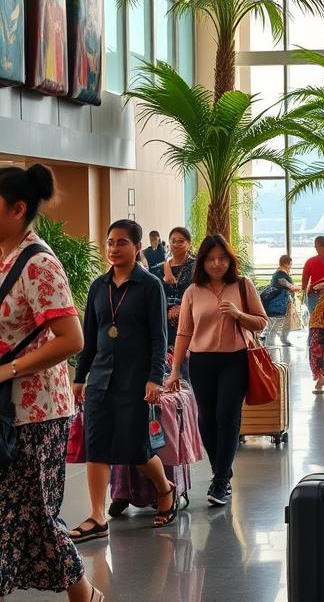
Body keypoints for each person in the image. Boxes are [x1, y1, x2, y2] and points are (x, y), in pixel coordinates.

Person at [0, 164, 104, 602]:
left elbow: (72, 338)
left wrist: (8, 370)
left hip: (34, 412)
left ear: (17, 208)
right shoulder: (3, 256)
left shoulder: (38, 262)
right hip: (9, 408)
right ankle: (86, 596)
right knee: (26, 518)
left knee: (28, 517)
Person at [71, 219, 175, 543]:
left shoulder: (149, 286)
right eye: (110, 243)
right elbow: (90, 335)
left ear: (136, 248)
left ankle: (165, 489)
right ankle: (96, 516)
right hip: (101, 378)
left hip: (135, 380)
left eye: (121, 243)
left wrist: (155, 378)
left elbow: (160, 337)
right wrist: (79, 377)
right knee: (97, 446)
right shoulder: (98, 287)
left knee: (135, 449)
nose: (114, 249)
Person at [165, 234, 267, 506]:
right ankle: (222, 470)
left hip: (235, 360)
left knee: (227, 416)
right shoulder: (192, 292)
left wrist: (239, 314)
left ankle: (221, 480)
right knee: (205, 421)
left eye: (222, 258)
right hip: (200, 362)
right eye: (211, 259)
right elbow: (184, 333)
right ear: (202, 262)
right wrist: (175, 370)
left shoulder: (243, 286)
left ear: (230, 259)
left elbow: (261, 323)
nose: (217, 263)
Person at [154, 227, 195, 378]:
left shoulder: (196, 267)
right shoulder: (158, 269)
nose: (176, 244)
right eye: (173, 241)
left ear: (189, 244)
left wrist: (183, 308)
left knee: (188, 361)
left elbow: (201, 292)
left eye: (181, 241)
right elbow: (155, 295)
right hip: (164, 317)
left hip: (189, 317)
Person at [263, 254, 300, 347]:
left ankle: (282, 338)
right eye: (291, 264)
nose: (291, 266)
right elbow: (291, 287)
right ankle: (270, 342)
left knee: (283, 321)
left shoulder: (280, 273)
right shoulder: (280, 275)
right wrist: (305, 286)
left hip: (283, 302)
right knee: (277, 322)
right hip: (279, 303)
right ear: (286, 264)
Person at [40, 0, 65, 88]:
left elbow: (63, 36)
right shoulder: (45, 5)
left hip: (57, 46)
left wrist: (59, 29)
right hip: (48, 44)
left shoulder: (60, 9)